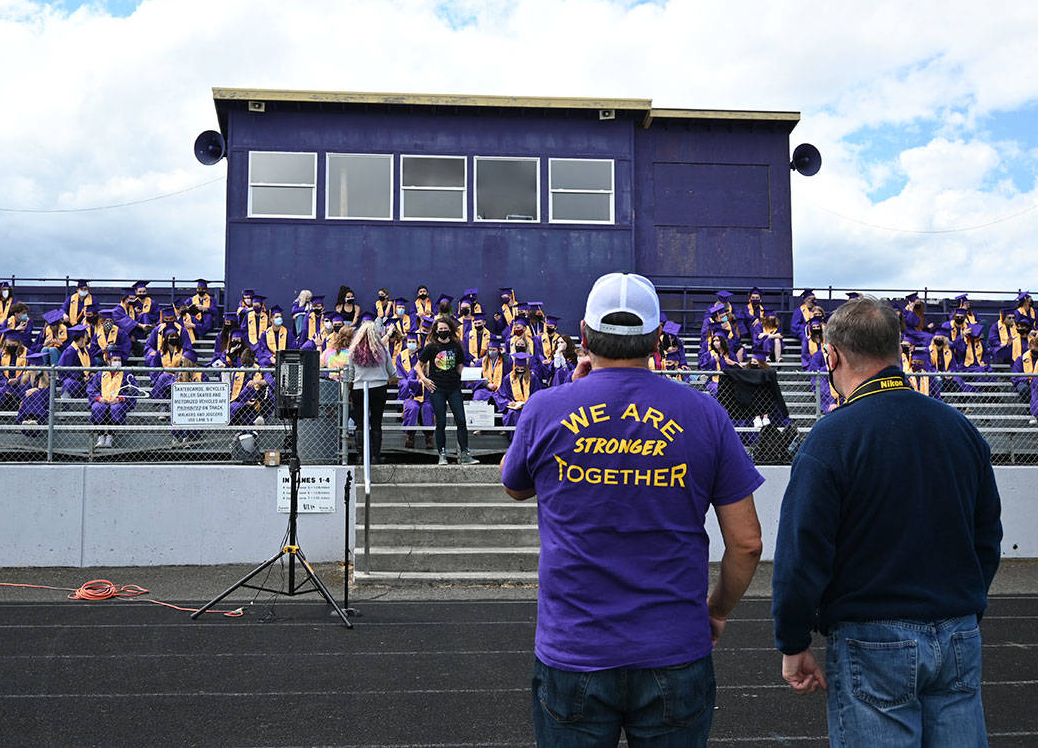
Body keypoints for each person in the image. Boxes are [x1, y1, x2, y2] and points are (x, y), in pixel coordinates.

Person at [501, 271, 764, 745]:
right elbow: (746, 544)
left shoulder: (544, 407)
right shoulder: (706, 413)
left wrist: (569, 391)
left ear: (582, 336)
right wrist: (718, 611)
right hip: (674, 645)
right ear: (659, 338)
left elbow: (515, 485)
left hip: (573, 648)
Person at [772, 295, 1002, 747]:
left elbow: (803, 550)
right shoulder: (959, 428)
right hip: (956, 628)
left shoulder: (832, 437)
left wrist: (793, 640)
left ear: (832, 355)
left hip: (872, 638)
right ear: (897, 350)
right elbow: (987, 536)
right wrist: (966, 602)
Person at [416, 316, 476, 465]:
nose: (443, 331)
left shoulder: (456, 346)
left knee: (461, 420)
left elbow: (460, 367)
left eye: (445, 328)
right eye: (440, 329)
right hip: (437, 388)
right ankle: (442, 453)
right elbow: (418, 365)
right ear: (436, 330)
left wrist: (471, 376)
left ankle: (465, 453)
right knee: (441, 421)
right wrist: (424, 379)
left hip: (454, 387)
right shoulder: (431, 347)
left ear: (450, 329)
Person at [347, 321, 398, 466]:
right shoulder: (383, 349)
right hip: (379, 387)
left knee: (360, 423)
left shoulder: (354, 350)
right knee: (376, 422)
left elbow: (350, 373)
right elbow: (392, 372)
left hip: (359, 388)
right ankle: (376, 456)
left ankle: (361, 456)